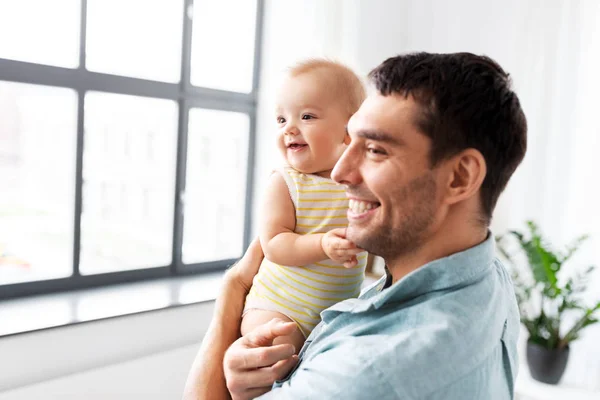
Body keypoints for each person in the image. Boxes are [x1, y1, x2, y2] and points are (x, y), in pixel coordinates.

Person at [183, 52, 528, 400]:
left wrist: (232, 293)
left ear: (460, 176)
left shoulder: (359, 377)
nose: (339, 174)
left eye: (376, 150)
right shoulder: (489, 281)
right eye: (352, 141)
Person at [241, 59, 368, 352]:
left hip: (336, 312)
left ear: (350, 130)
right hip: (280, 306)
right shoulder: (286, 182)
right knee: (276, 349)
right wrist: (323, 244)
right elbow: (273, 243)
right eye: (282, 119)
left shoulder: (358, 180)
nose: (289, 129)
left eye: (307, 117)